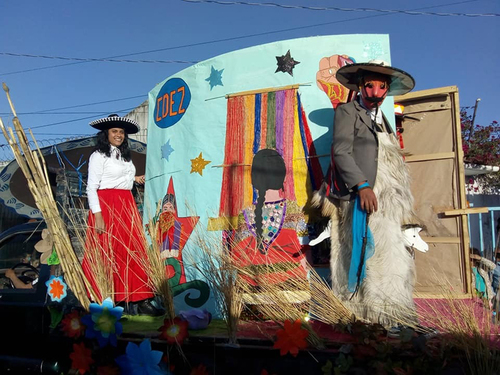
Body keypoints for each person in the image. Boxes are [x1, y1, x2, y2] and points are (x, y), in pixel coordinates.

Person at [314, 60, 417, 327]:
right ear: (361, 86)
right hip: (362, 196)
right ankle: (361, 317)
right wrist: (362, 186)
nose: (375, 91)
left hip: (387, 199)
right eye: (369, 85)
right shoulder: (348, 112)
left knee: (392, 254)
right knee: (363, 255)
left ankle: (392, 315)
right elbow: (341, 152)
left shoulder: (383, 120)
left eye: (382, 86)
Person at [82, 114, 161, 316]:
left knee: (132, 250)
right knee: (108, 251)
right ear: (106, 134)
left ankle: (140, 298)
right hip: (107, 207)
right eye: (114, 131)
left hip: (126, 205)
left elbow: (118, 177)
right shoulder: (98, 156)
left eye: (121, 132)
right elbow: (92, 187)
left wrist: (134, 178)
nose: (118, 135)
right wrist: (97, 215)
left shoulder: (123, 156)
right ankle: (106, 298)